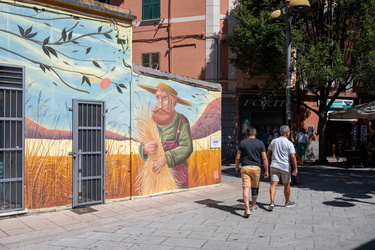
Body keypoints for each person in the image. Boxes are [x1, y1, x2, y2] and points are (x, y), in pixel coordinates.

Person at [138, 82, 193, 188]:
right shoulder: (150, 122)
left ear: (173, 103)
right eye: (157, 98)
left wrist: (167, 158)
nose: (160, 104)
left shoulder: (182, 121)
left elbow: (187, 147)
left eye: (164, 99)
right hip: (154, 176)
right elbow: (142, 143)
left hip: (177, 176)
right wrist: (144, 149)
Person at [235, 127, 269, 218]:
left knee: (246, 188)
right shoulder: (260, 143)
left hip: (245, 167)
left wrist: (237, 166)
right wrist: (266, 170)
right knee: (255, 187)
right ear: (255, 134)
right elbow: (264, 157)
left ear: (247, 134)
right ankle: (253, 206)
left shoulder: (242, 143)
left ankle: (247, 209)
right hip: (256, 168)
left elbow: (238, 157)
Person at [266, 125, 298, 211]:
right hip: (285, 166)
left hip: (274, 165)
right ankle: (287, 201)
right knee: (286, 184)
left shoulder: (274, 141)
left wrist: (268, 164)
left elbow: (267, 154)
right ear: (288, 132)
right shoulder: (289, 143)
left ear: (280, 132)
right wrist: (295, 168)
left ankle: (272, 202)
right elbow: (293, 157)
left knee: (273, 184)